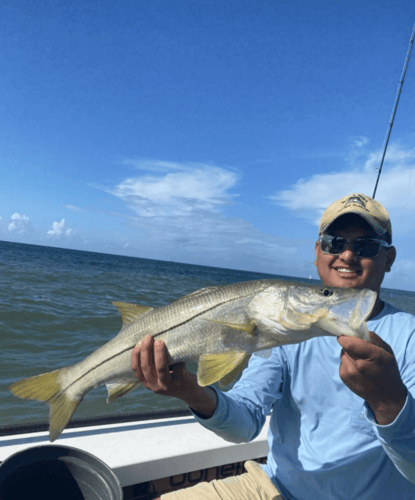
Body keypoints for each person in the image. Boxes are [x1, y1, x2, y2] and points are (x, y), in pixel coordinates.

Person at [131, 193, 415, 500]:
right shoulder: (282, 332)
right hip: (274, 488)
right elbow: (245, 423)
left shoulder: (409, 336)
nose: (347, 255)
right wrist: (189, 391)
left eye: (365, 246)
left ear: (389, 258)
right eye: (335, 242)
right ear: (318, 252)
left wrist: (389, 401)